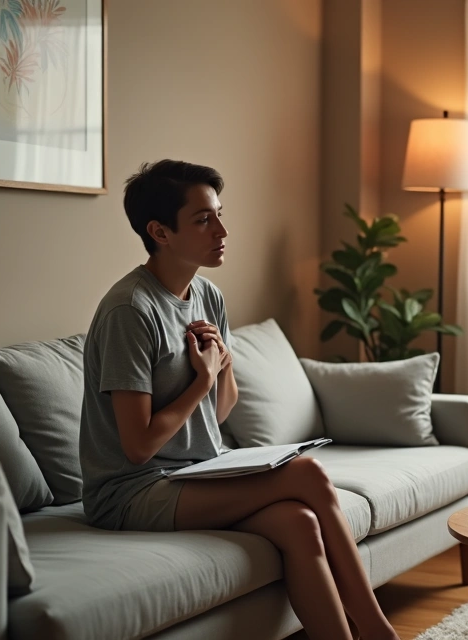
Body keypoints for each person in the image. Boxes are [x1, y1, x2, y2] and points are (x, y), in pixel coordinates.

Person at [80, 160, 398, 640]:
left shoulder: (207, 295)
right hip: (131, 493)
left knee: (299, 523)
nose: (222, 231)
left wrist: (221, 365)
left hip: (198, 470)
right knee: (309, 473)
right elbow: (138, 447)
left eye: (219, 214)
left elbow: (221, 412)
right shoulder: (131, 310)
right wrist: (202, 380)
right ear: (160, 232)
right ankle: (380, 633)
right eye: (203, 220)